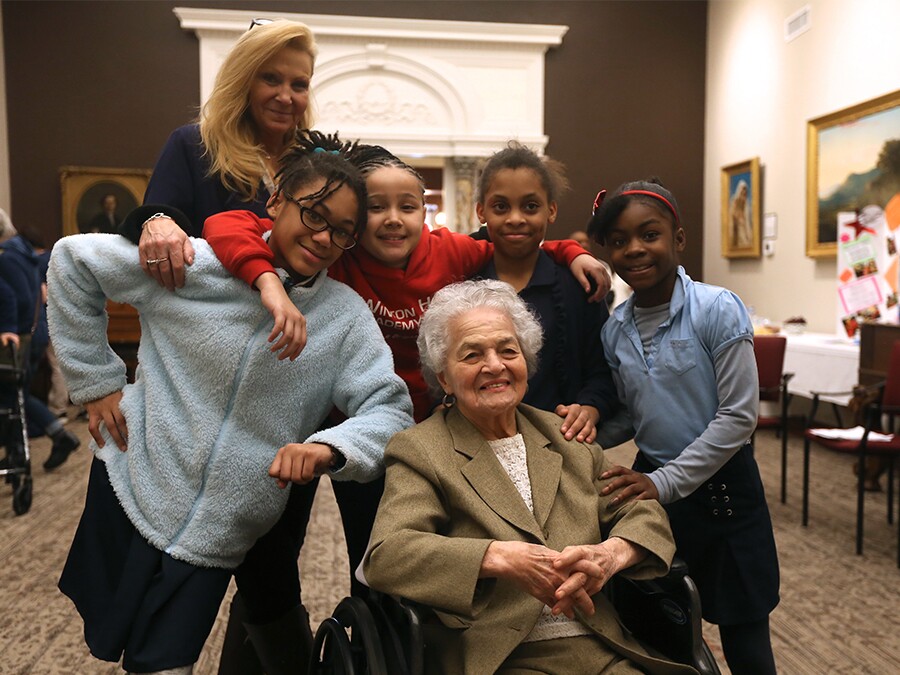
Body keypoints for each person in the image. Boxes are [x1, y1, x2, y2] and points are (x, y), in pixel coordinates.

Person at [199, 145, 610, 673]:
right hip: (336, 428)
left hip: (423, 436)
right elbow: (230, 224)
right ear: (353, 221)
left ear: (426, 212)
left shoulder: (450, 253)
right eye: (375, 208)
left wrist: (568, 250)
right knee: (319, 557)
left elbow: (513, 237)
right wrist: (267, 278)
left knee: (412, 551)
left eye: (409, 206)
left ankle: (416, 649)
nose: (392, 220)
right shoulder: (339, 252)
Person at [48, 135, 414, 675]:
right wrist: (96, 381)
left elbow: (389, 409)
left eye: (341, 232)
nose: (323, 238)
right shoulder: (195, 265)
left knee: (163, 660)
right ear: (276, 200)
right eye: (313, 215)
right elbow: (72, 261)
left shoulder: (343, 318)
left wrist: (331, 449)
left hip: (226, 522)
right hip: (132, 483)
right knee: (109, 631)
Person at [362, 279, 693, 675]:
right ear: (445, 378)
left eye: (507, 350)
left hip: (599, 644)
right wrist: (496, 556)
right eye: (472, 355)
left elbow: (643, 514)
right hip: (501, 655)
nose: (495, 365)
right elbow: (388, 555)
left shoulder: (566, 435)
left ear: (526, 361)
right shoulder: (422, 450)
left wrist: (610, 555)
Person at [587, 179, 779, 675]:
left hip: (723, 490)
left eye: (649, 234)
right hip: (654, 493)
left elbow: (738, 417)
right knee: (663, 624)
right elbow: (635, 413)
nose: (634, 249)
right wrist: (583, 430)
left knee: (744, 631)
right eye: (619, 240)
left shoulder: (717, 308)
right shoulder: (615, 329)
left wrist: (661, 482)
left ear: (679, 239)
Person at [473, 142, 618, 444]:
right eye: (501, 206)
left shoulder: (577, 286)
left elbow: (603, 371)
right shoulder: (464, 282)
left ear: (551, 210)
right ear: (481, 211)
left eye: (530, 206)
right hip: (478, 441)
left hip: (560, 442)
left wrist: (590, 407)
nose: (516, 218)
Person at [0, 212, 80, 471]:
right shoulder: (23, 254)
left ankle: (57, 435)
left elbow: (15, 298)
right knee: (17, 394)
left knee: (14, 394)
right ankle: (20, 449)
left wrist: (10, 328)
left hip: (20, 335)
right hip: (34, 332)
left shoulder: (8, 257)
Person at [729, 179, 752, 249]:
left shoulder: (746, 206)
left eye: (745, 192)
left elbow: (747, 224)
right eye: (742, 191)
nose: (744, 193)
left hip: (744, 236)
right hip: (736, 236)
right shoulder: (734, 203)